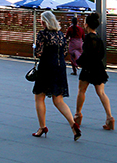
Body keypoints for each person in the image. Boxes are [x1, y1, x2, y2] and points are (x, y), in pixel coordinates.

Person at [32, 11, 81, 141]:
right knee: (59, 100)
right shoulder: (60, 35)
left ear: (44, 22)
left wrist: (35, 48)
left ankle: (42, 127)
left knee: (39, 97)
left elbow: (38, 53)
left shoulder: (42, 34)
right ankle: (73, 124)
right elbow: (65, 52)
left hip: (46, 68)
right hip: (60, 68)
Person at [73, 13, 114, 131]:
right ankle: (109, 117)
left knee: (81, 90)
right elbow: (101, 54)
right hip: (98, 68)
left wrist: (79, 62)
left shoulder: (87, 38)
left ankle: (78, 115)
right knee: (101, 93)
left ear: (86, 25)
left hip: (88, 68)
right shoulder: (99, 39)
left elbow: (86, 54)